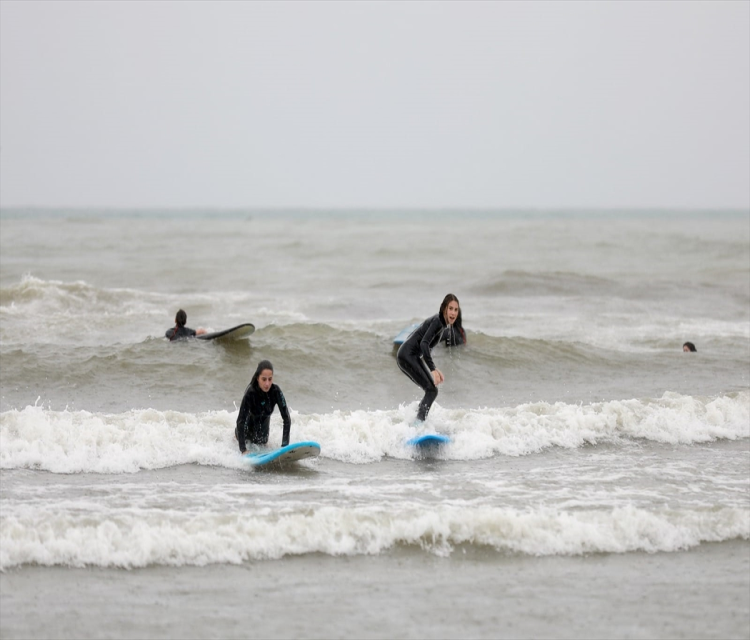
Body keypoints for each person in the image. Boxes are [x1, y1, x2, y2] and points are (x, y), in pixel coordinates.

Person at [397, 293, 462, 423]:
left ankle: (416, 420)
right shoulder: (438, 321)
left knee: (430, 390)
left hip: (407, 356)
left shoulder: (441, 324)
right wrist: (432, 369)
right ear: (444, 308)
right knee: (431, 391)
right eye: (450, 308)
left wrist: (435, 369)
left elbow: (424, 347)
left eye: (456, 310)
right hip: (408, 356)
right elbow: (424, 343)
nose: (453, 313)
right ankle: (418, 424)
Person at [235, 360, 291, 453]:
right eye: (264, 379)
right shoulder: (250, 393)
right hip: (245, 438)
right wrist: (243, 449)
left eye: (270, 379)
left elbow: (287, 419)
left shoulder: (276, 392)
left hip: (263, 440)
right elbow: (240, 421)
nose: (267, 384)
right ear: (258, 378)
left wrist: (284, 446)